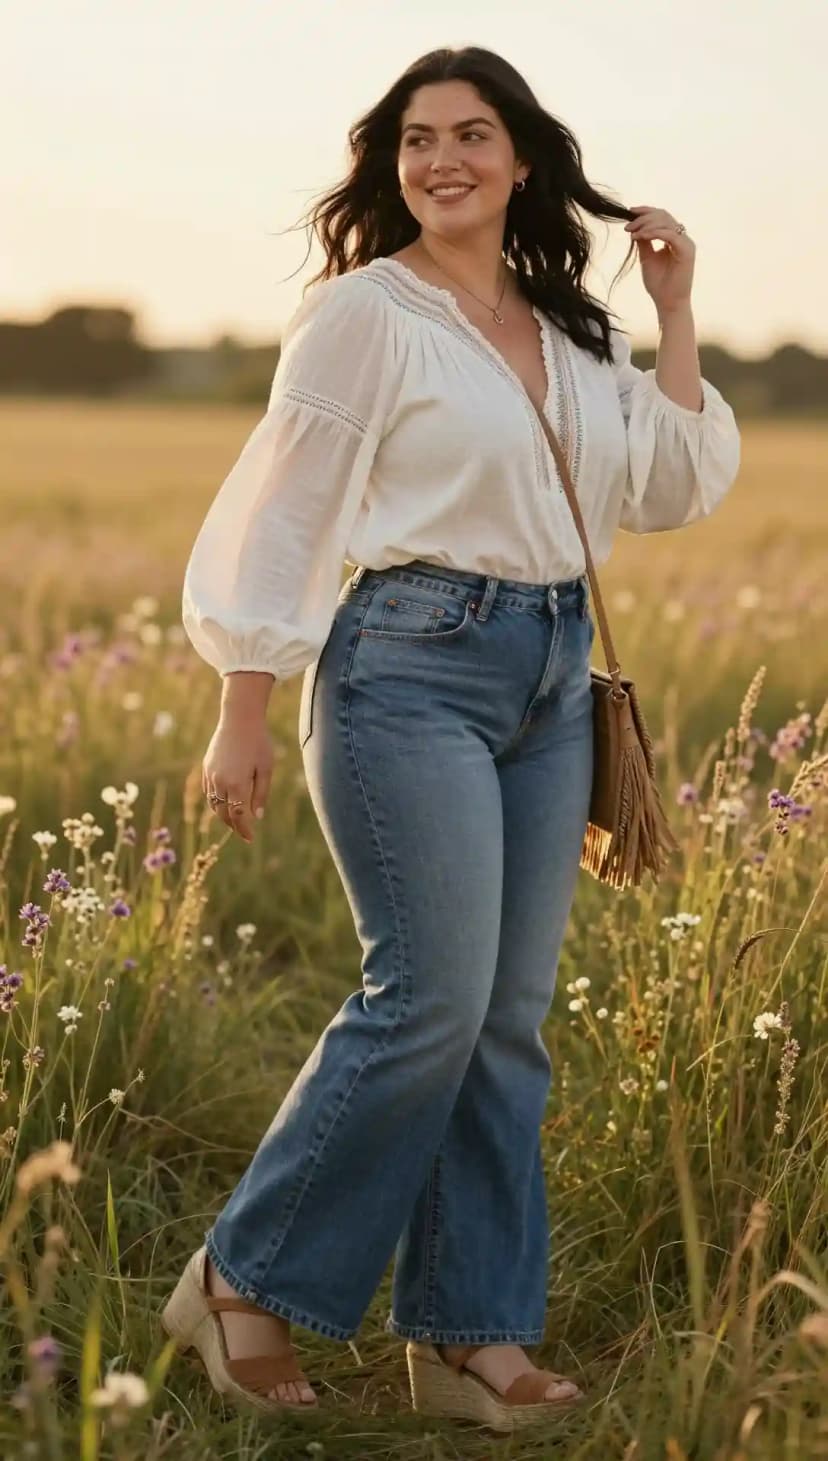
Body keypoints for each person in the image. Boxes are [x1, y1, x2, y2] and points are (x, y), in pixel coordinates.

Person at [162, 45, 740, 1432]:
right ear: (394, 165)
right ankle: (244, 1276)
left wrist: (673, 310)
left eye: (471, 135)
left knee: (507, 1021)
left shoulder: (575, 327)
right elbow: (286, 507)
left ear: (522, 159)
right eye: (417, 141)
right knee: (424, 999)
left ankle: (468, 1335)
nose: (442, 161)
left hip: (552, 674)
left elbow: (669, 483)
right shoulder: (367, 315)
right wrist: (242, 703)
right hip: (404, 667)